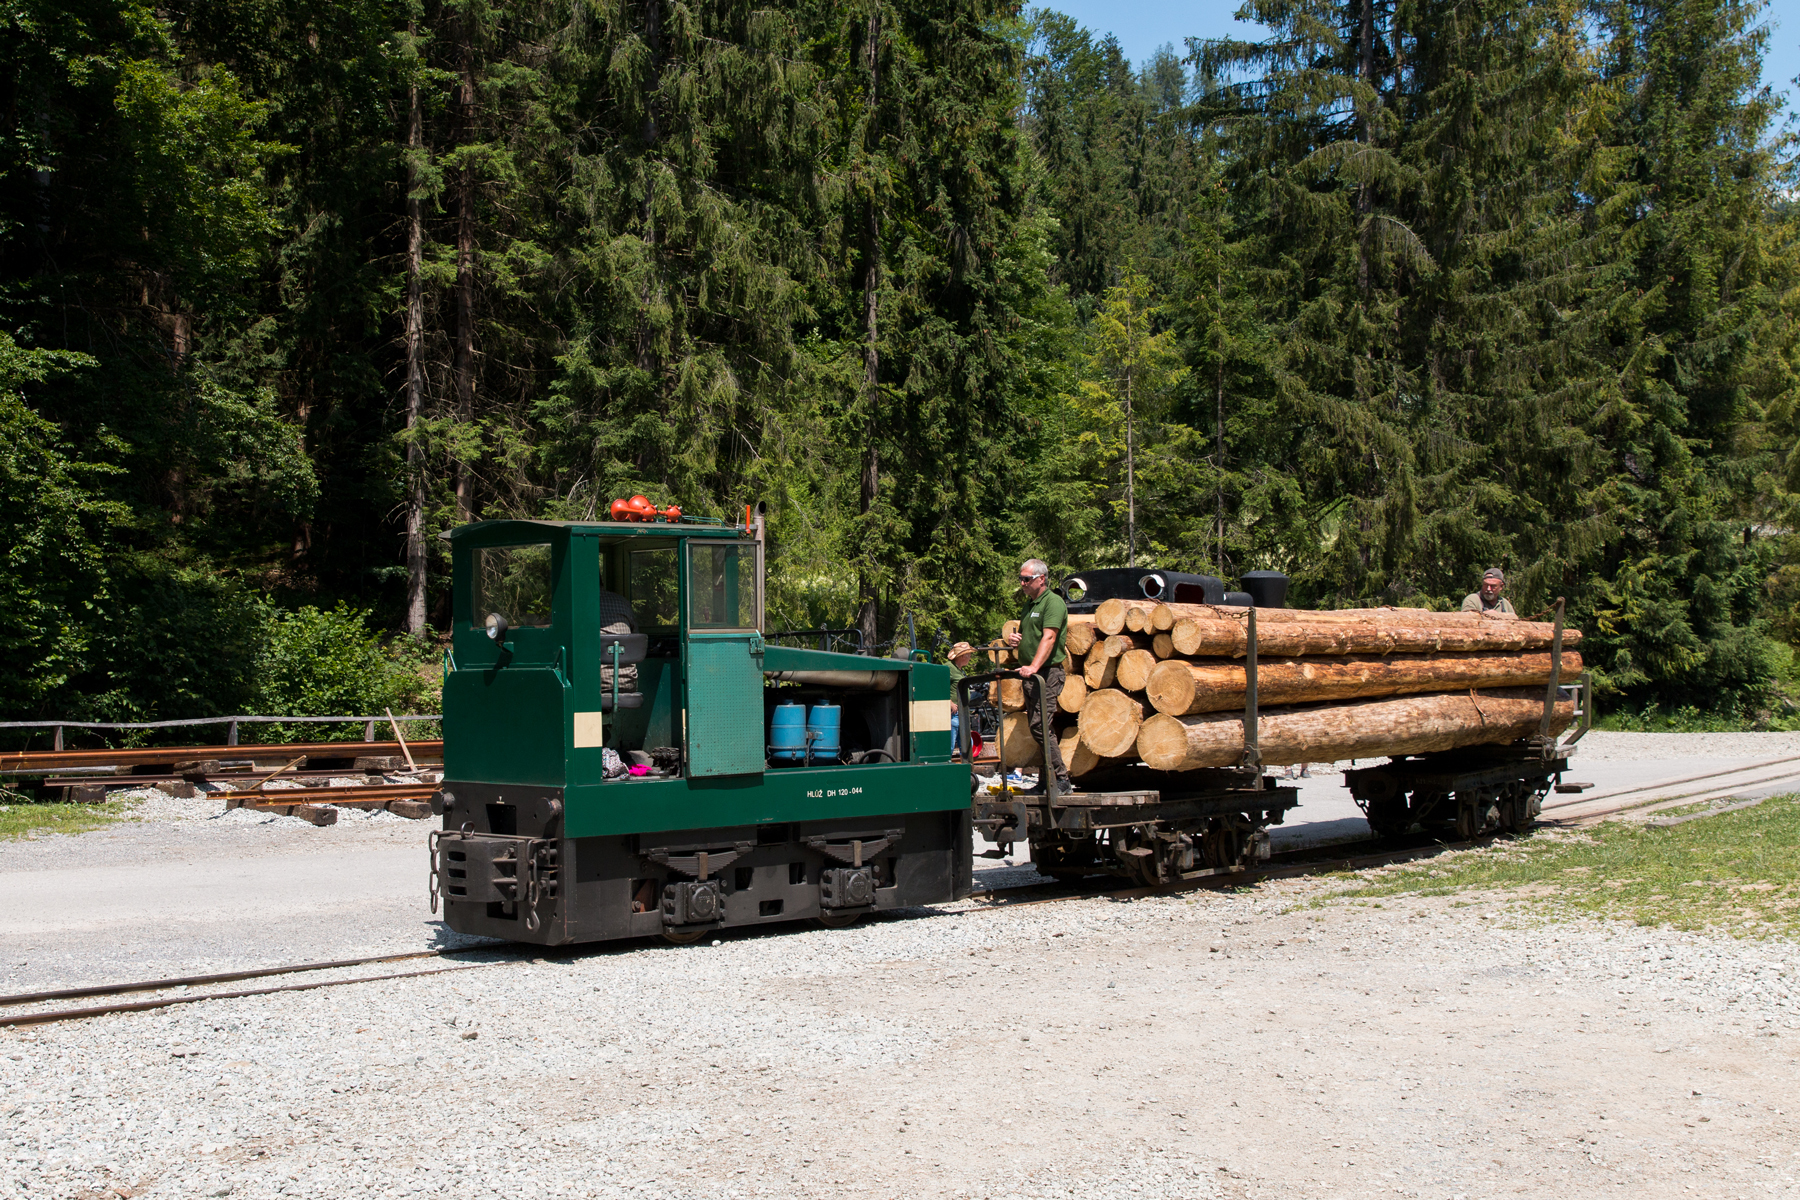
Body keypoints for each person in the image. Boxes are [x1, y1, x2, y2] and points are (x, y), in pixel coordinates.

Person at [1003, 559, 1072, 797]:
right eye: (1020, 579)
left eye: (1026, 579)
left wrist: (1033, 666)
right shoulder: (1030, 604)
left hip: (1047, 673)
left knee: (1040, 725)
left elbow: (1050, 638)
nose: (1022, 583)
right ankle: (1047, 781)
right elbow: (1028, 635)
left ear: (1041, 579)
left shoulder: (1053, 603)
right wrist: (1014, 641)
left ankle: (1061, 780)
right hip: (1032, 675)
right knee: (1038, 728)